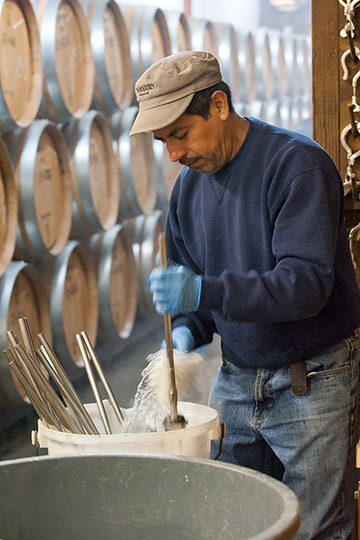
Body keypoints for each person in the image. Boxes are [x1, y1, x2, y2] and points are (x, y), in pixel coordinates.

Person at [130, 50, 360, 540]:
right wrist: (187, 332)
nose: (173, 154)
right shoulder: (187, 191)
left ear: (218, 105)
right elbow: (196, 297)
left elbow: (305, 288)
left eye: (180, 134)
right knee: (231, 518)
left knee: (315, 528)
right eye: (161, 141)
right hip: (236, 381)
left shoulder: (297, 166)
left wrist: (203, 288)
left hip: (311, 381)